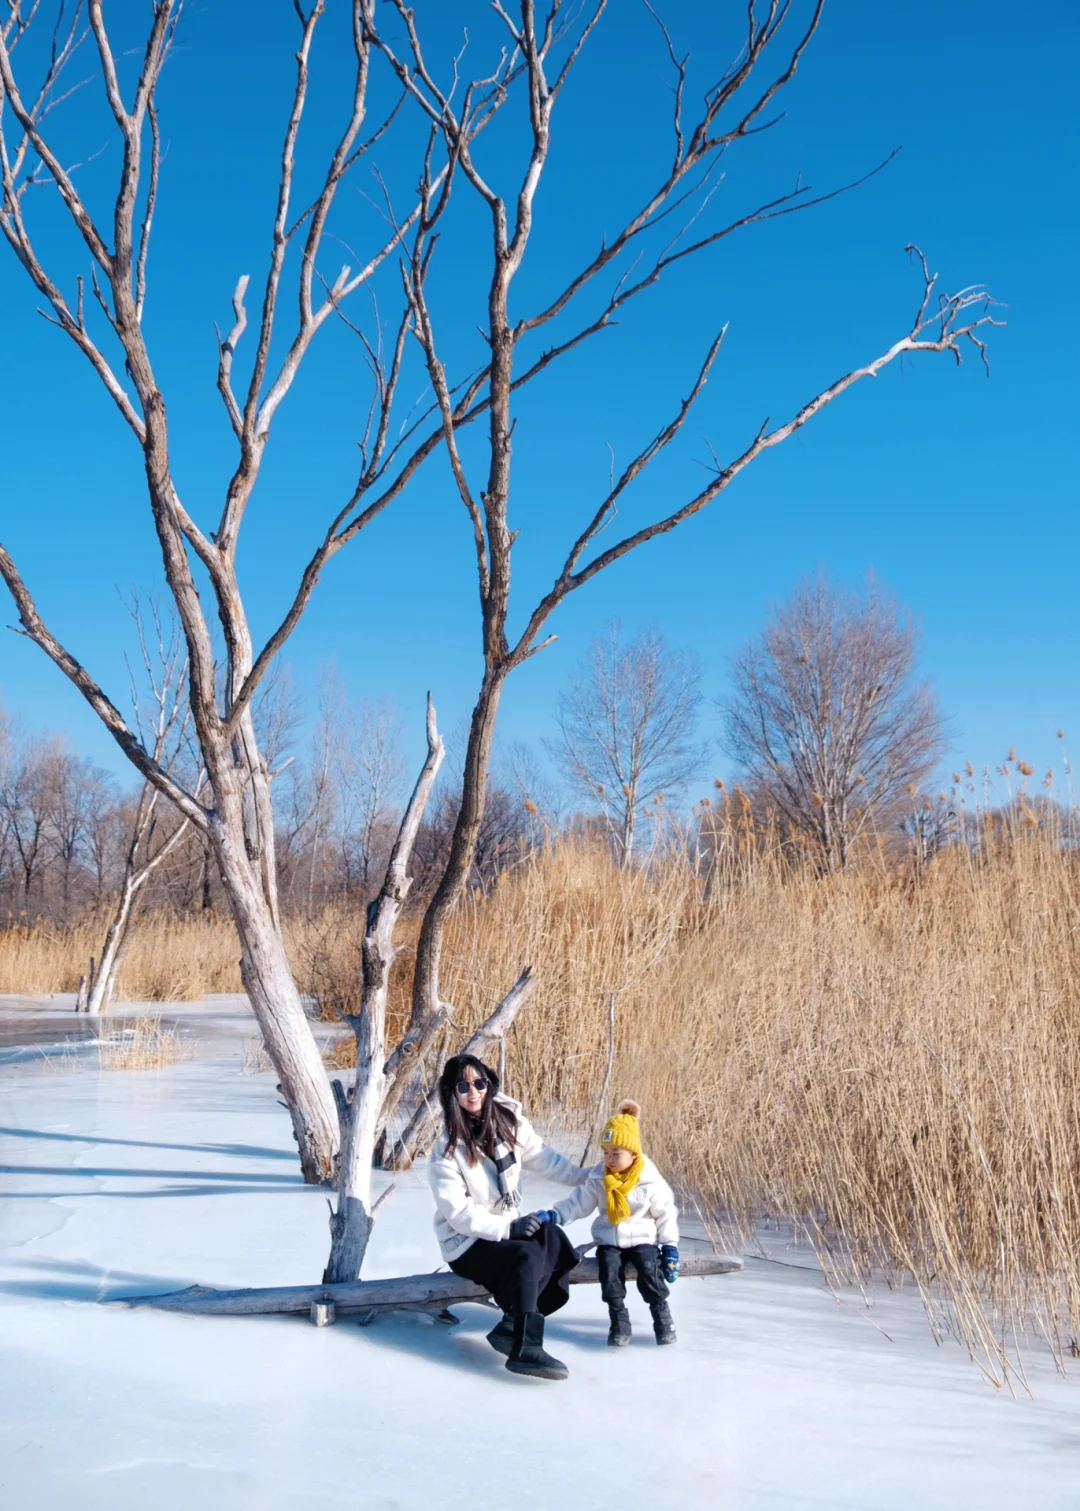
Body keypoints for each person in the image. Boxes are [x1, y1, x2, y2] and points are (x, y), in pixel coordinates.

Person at [428, 1052, 588, 1381]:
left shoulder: (508, 1120)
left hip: (502, 1230)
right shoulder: (447, 1150)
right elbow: (458, 1213)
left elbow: (544, 1158)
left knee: (552, 1237)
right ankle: (526, 1348)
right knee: (527, 1252)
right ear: (451, 1093)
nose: (473, 1092)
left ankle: (512, 1323)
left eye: (479, 1082)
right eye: (463, 1086)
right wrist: (507, 1228)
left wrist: (586, 1178)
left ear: (489, 1083)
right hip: (467, 1243)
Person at [544, 1100, 679, 1346]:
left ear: (634, 1154)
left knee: (650, 1271)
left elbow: (665, 1213)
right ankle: (619, 1321)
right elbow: (578, 1203)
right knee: (610, 1274)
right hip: (610, 1239)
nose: (610, 1159)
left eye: (616, 1153)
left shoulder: (650, 1181)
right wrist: (556, 1215)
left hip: (642, 1238)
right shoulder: (599, 1178)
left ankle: (662, 1316)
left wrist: (670, 1247)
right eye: (605, 1153)